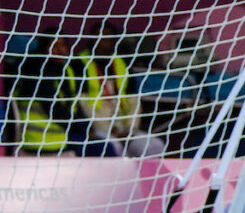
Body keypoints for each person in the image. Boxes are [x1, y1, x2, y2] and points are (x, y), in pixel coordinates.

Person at [77, 20, 164, 157]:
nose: (100, 41)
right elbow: (83, 105)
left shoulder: (122, 62)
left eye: (106, 37)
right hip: (97, 126)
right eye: (97, 36)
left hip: (123, 125)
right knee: (114, 147)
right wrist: (111, 132)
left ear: (114, 41)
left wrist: (130, 130)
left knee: (155, 145)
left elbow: (133, 102)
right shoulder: (79, 63)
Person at [10, 28, 82, 156]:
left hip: (59, 142)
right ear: (44, 47)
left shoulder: (66, 70)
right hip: (33, 143)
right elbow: (52, 107)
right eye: (54, 45)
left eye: (63, 45)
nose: (60, 51)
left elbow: (74, 103)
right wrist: (81, 126)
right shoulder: (35, 68)